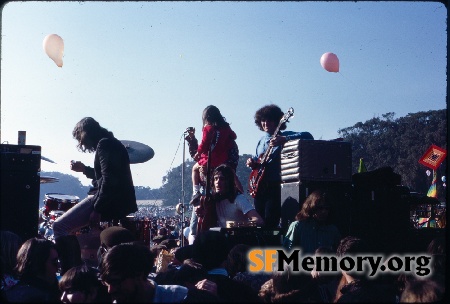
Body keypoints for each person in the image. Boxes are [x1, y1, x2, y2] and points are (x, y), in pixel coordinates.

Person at [52, 117, 137, 274]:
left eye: (80, 139)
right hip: (117, 199)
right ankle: (76, 271)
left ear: (84, 134)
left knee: (60, 226)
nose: (81, 144)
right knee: (67, 229)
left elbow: (109, 181)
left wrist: (97, 209)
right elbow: (105, 175)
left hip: (108, 199)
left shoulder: (104, 144)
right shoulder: (111, 142)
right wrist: (84, 169)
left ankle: (71, 274)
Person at [246, 104, 314, 228]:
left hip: (274, 186)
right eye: (263, 120)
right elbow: (257, 161)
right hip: (259, 188)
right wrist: (251, 162)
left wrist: (285, 139)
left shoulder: (284, 136)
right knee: (259, 221)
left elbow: (308, 135)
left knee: (270, 221)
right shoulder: (261, 141)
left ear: (277, 122)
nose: (266, 123)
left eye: (269, 120)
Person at [99, 242, 220, 303]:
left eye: (116, 282)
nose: (110, 290)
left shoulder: (180, 298)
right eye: (106, 283)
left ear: (139, 274)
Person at [197, 164, 264, 228]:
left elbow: (259, 221)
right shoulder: (213, 200)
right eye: (216, 179)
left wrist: (237, 225)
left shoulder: (239, 199)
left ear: (229, 181)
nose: (218, 182)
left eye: (222, 179)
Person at [283, 190, 341, 255]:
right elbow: (286, 253)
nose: (324, 211)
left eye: (327, 208)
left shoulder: (332, 230)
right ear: (311, 207)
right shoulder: (298, 227)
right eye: (320, 208)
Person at [4, 238, 61, 303]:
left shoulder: (10, 293)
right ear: (38, 264)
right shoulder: (44, 298)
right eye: (54, 262)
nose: (58, 266)